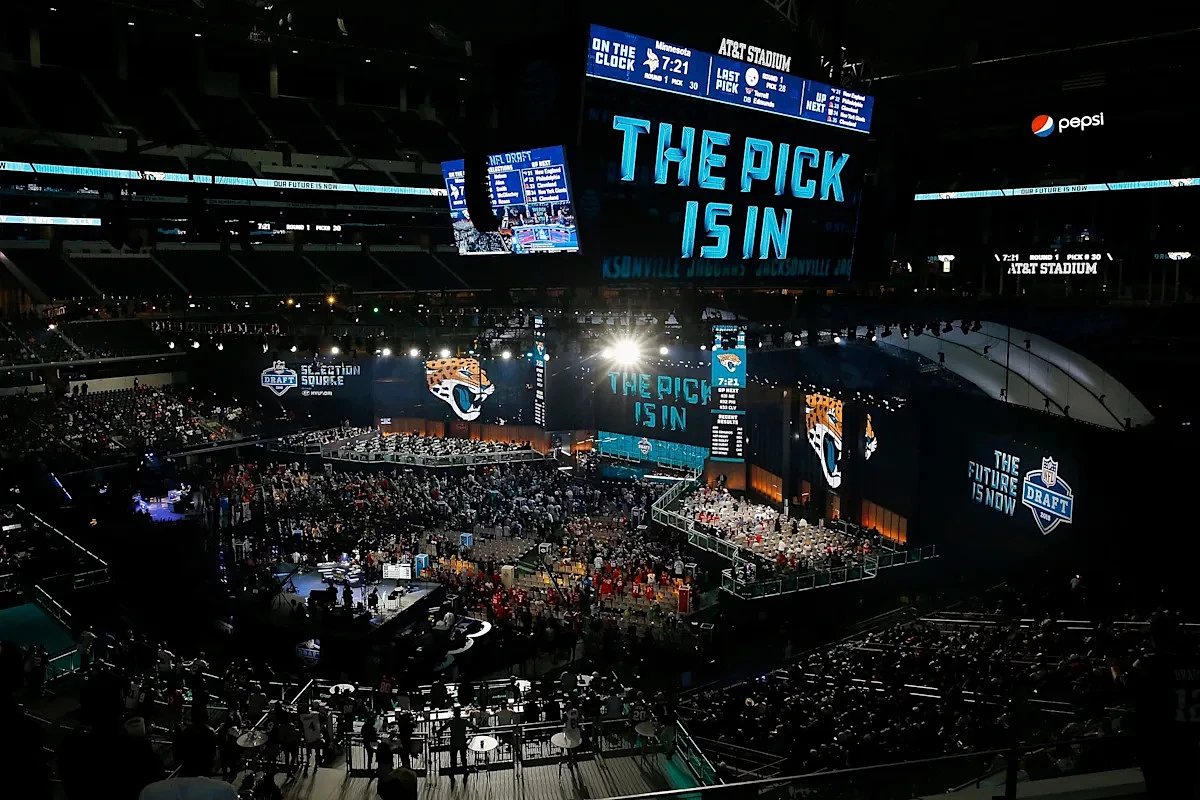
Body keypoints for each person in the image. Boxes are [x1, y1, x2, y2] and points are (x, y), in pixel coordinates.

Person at [1111, 612, 1200, 799]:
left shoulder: (1150, 663)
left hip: (1159, 745)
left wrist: (1115, 668)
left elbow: (1125, 686)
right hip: (1190, 742)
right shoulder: (1194, 662)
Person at [438, 706, 477, 784]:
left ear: (454, 713)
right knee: (463, 758)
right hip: (462, 742)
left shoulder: (451, 722)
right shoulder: (464, 721)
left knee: (453, 759)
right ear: (460, 713)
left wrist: (438, 734)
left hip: (454, 742)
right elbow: (473, 727)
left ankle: (452, 773)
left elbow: (442, 729)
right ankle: (465, 771)